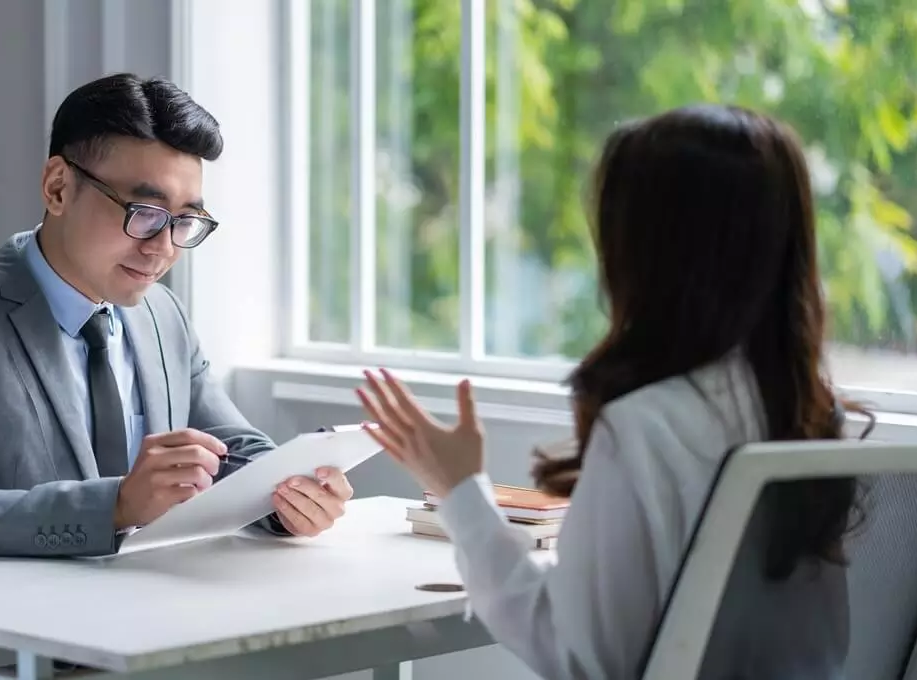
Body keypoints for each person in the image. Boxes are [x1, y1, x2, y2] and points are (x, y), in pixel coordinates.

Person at [357, 104, 872, 678]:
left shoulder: (645, 427)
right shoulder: (811, 417)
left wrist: (461, 493)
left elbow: (578, 658)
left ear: (648, 253)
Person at [0, 73, 353, 561]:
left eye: (185, 221)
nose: (163, 249)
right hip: (11, 621)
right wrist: (114, 507)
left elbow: (233, 449)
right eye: (144, 212)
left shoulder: (163, 314)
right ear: (58, 187)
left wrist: (287, 496)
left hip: (145, 609)